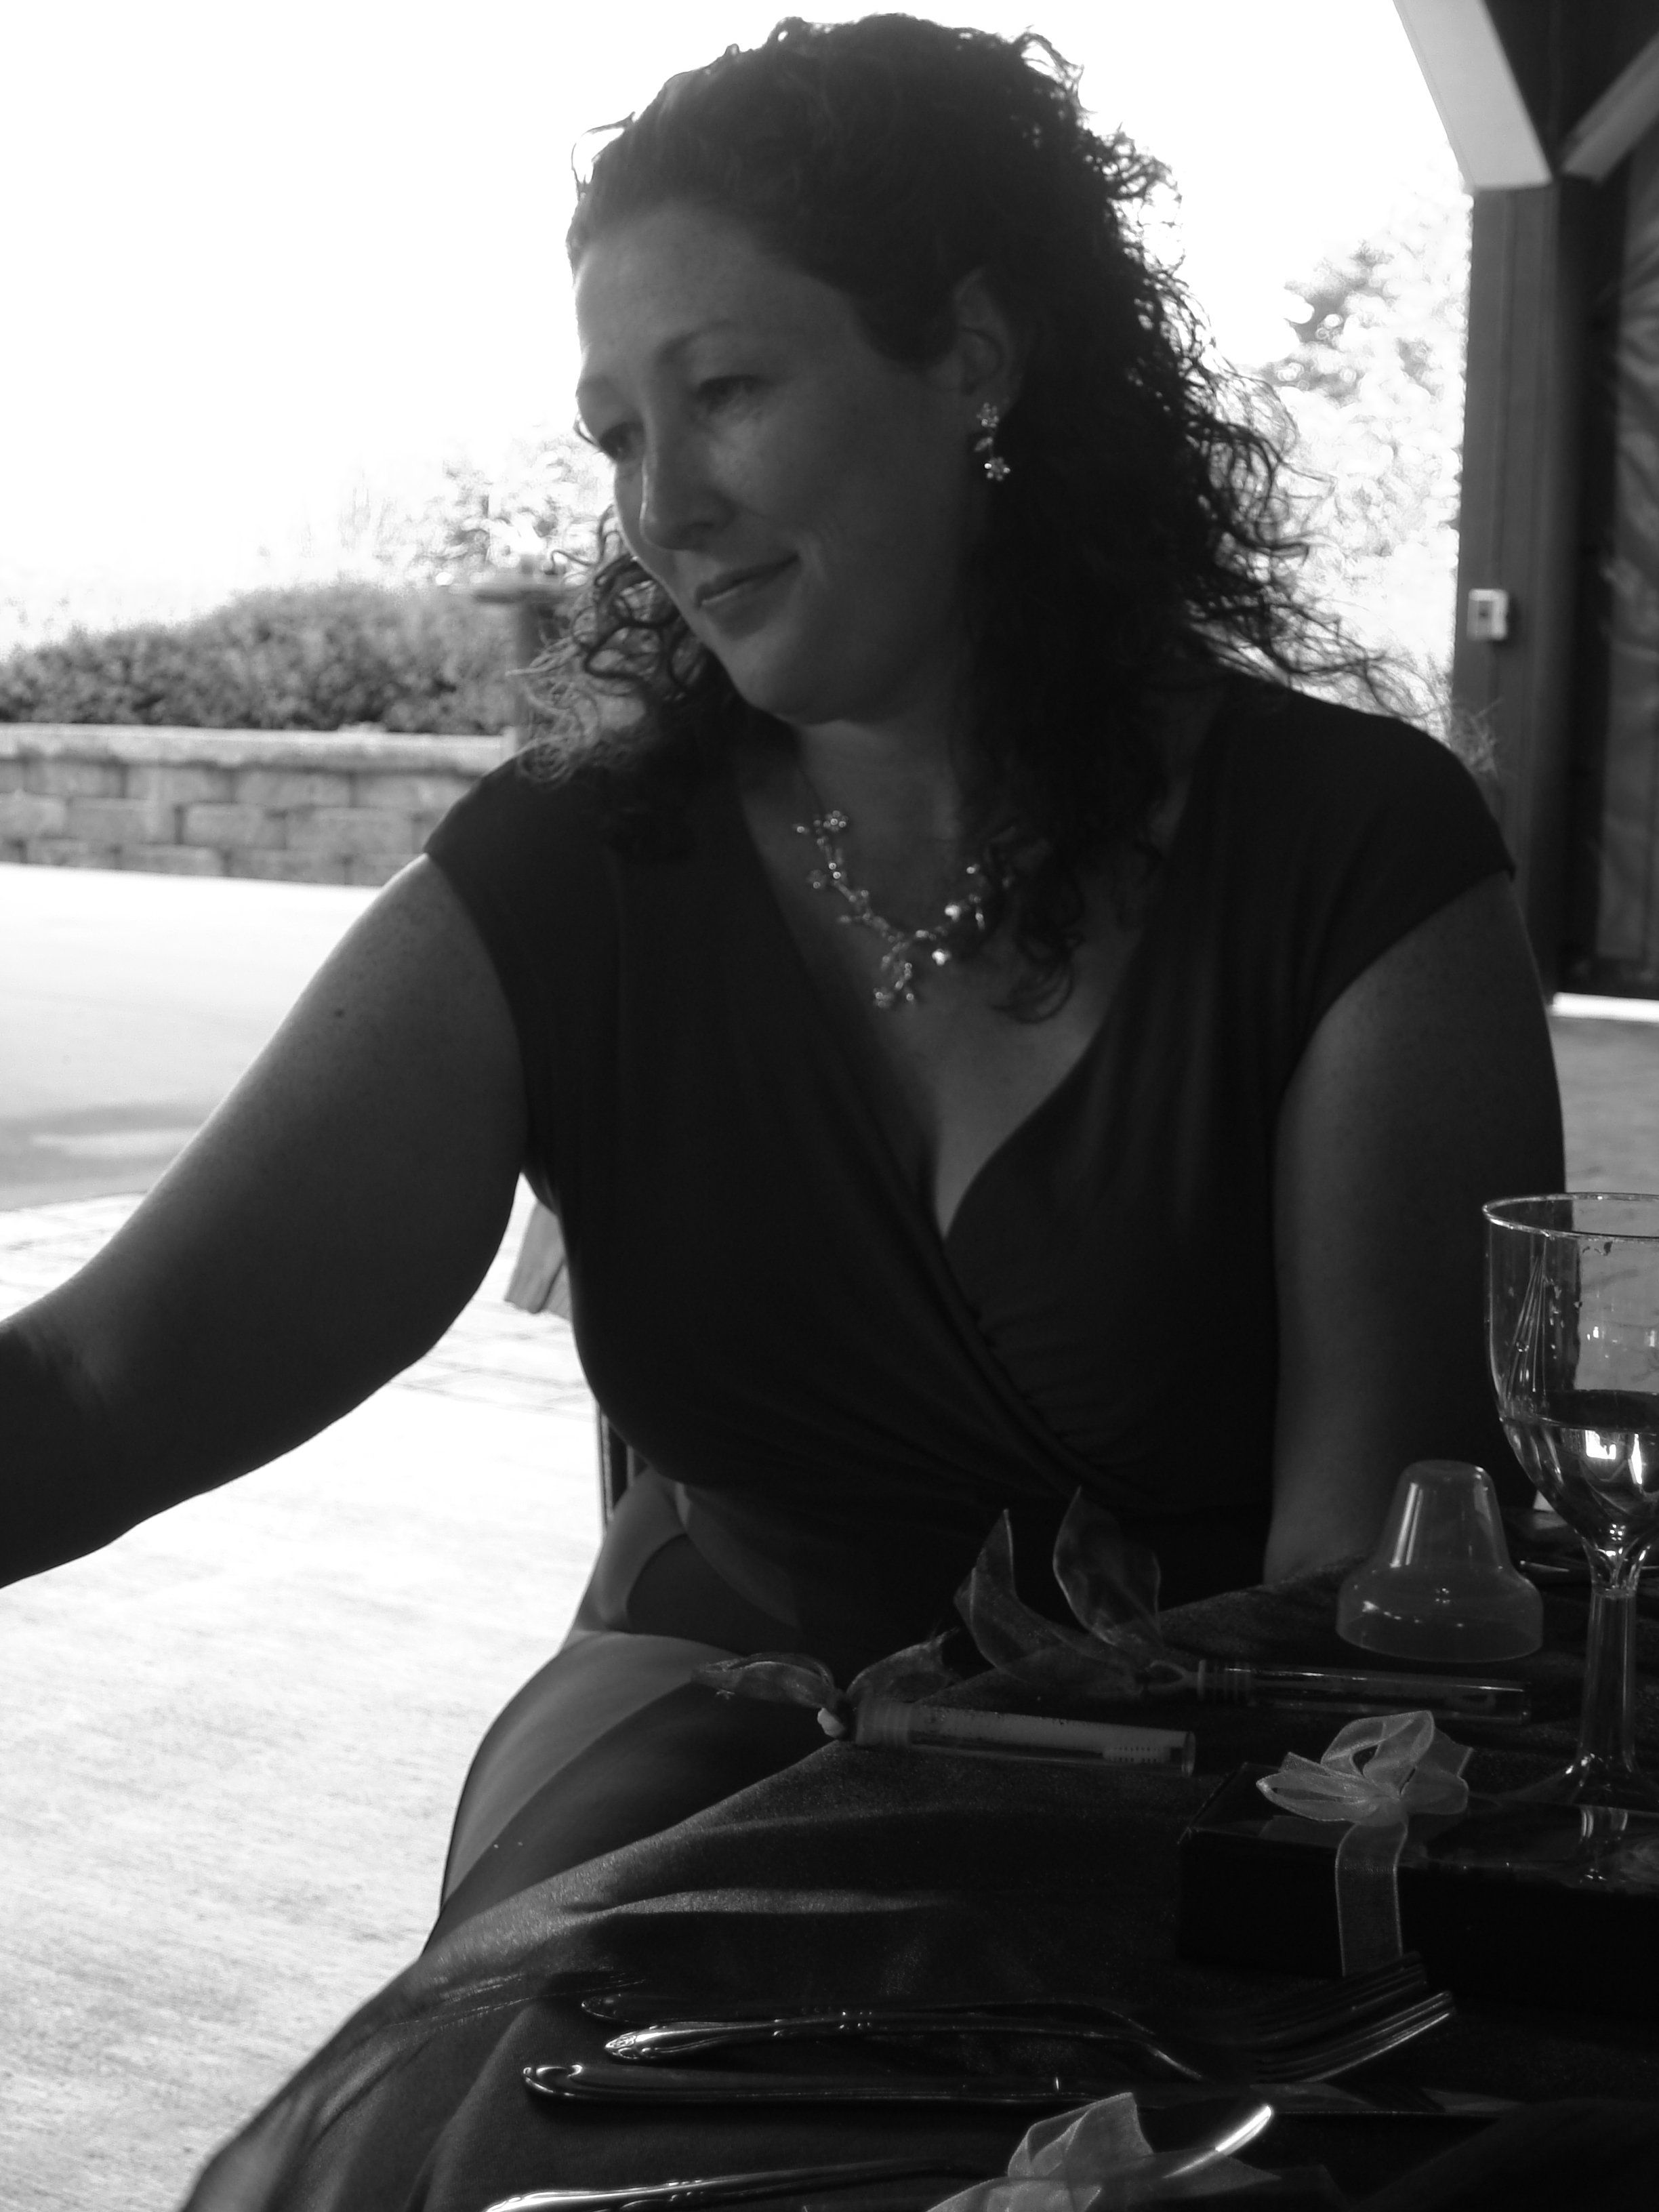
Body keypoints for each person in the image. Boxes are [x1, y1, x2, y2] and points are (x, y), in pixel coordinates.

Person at [1, 18, 1562, 1936]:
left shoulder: (1351, 855)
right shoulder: (572, 880)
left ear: (972, 358)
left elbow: (1367, 1589)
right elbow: (99, 1387)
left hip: (1222, 1812)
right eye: (617, 437)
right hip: (697, 1759)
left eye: (724, 390)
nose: (663, 507)